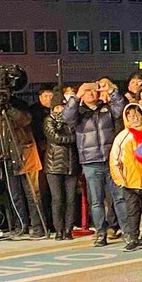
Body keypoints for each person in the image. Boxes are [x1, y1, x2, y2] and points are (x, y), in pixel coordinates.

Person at [62, 81, 126, 246]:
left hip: (111, 160)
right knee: (96, 201)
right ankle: (101, 233)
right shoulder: (79, 112)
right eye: (86, 91)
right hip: (90, 162)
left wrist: (111, 90)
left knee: (119, 198)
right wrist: (76, 97)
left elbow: (121, 109)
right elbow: (67, 117)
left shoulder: (106, 109)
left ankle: (128, 231)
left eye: (93, 90)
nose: (91, 93)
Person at [110, 103, 142, 251]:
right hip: (129, 183)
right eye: (130, 115)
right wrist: (120, 179)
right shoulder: (122, 137)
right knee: (132, 212)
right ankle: (133, 238)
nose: (134, 118)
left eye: (137, 114)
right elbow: (114, 160)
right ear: (126, 117)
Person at [42, 92, 79, 240]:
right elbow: (56, 138)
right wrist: (73, 138)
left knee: (71, 199)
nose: (60, 109)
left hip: (71, 164)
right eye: (57, 107)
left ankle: (69, 229)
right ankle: (58, 229)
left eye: (63, 106)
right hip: (53, 165)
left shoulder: (72, 120)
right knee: (57, 199)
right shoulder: (48, 120)